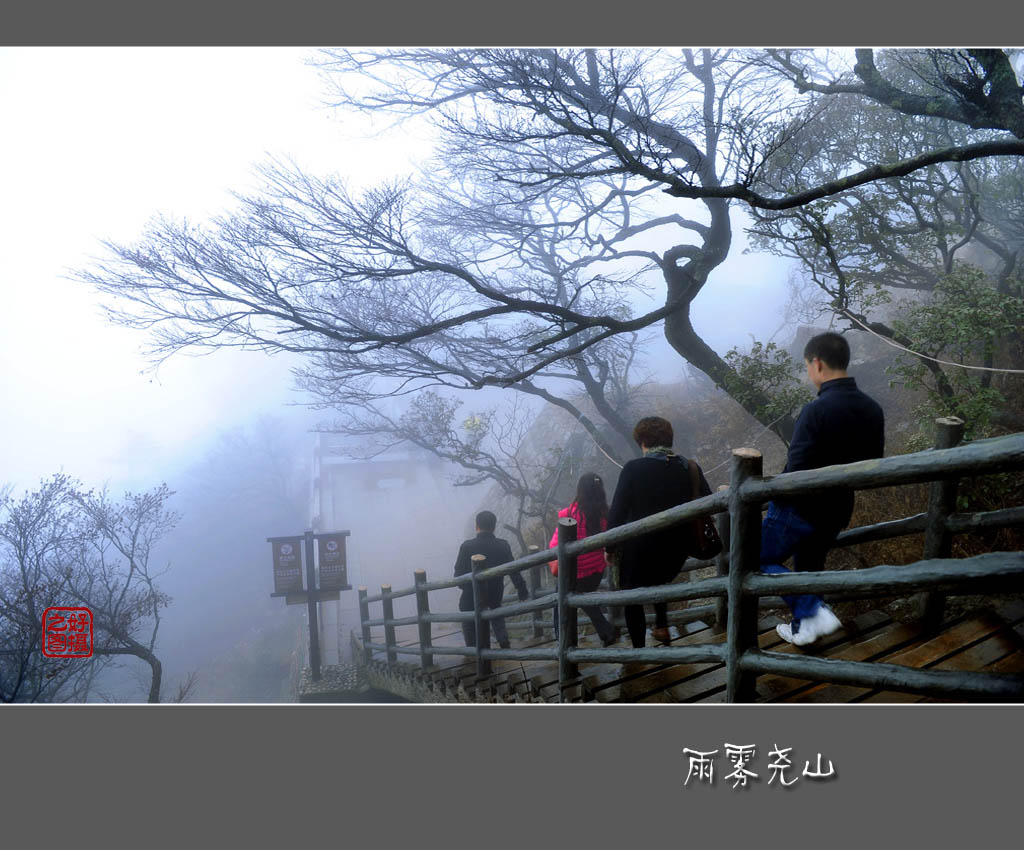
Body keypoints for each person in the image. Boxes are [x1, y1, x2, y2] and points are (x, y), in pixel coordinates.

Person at [763, 331, 885, 646]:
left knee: (751, 555)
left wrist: (772, 494)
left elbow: (799, 468)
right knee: (809, 567)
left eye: (807, 366)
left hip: (798, 509)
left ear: (817, 363)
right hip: (839, 507)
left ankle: (812, 610)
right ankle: (804, 628)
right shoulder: (872, 409)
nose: (808, 373)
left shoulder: (815, 410)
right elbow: (873, 464)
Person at [607, 416, 712, 649]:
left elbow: (616, 515)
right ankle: (662, 626)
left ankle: (638, 650)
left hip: (640, 555)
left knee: (631, 593)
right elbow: (709, 502)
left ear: (643, 441)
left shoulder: (633, 469)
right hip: (675, 555)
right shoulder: (689, 467)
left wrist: (609, 548)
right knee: (658, 578)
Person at [548, 472, 619, 647]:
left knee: (560, 599)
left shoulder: (570, 514)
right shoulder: (606, 514)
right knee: (580, 597)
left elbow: (555, 544)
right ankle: (606, 632)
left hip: (575, 573)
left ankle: (562, 640)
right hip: (596, 573)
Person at [453, 510, 529, 650]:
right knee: (497, 615)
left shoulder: (467, 546)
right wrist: (522, 589)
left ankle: (473, 651)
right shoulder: (503, 545)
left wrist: (469, 588)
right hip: (495, 594)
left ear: (477, 526)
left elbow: (458, 576)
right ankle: (505, 646)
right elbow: (513, 570)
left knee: (469, 619)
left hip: (471, 596)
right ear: (494, 527)